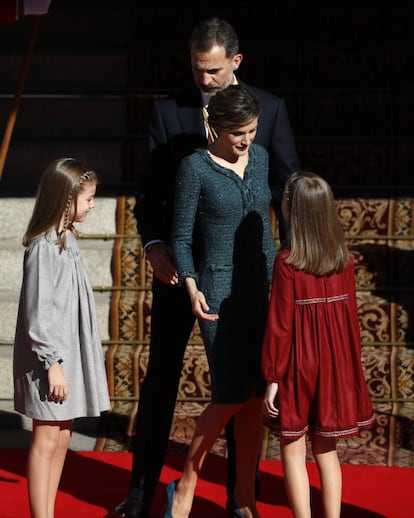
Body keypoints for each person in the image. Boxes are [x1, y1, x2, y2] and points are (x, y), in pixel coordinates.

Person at [114, 16, 299, 518]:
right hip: (180, 270)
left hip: (246, 278)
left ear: (236, 62)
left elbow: (289, 189)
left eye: (213, 70)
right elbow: (150, 195)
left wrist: (297, 250)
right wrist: (154, 246)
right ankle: (141, 493)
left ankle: (241, 497)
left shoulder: (271, 112)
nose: (204, 79)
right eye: (197, 70)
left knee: (246, 390)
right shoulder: (168, 112)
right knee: (161, 381)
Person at [164, 84, 275, 518]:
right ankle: (187, 482)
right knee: (229, 394)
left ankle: (243, 496)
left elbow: (265, 228)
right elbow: (180, 235)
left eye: (252, 130)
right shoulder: (194, 168)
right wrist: (190, 284)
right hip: (218, 292)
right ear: (216, 127)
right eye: (239, 133)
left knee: (254, 399)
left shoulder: (262, 158)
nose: (247, 140)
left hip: (261, 293)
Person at [261, 171, 376, 518]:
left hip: (298, 364)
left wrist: (272, 378)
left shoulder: (287, 263)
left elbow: (280, 327)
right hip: (335, 364)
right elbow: (350, 322)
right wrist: (349, 369)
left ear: (293, 212)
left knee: (292, 448)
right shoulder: (344, 260)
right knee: (327, 452)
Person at [13, 158, 111, 518]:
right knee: (46, 437)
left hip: (64, 355)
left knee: (63, 436)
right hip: (48, 359)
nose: (92, 205)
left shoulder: (65, 240)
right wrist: (52, 364)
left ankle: (49, 511)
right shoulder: (44, 248)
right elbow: (38, 313)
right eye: (88, 199)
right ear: (66, 201)